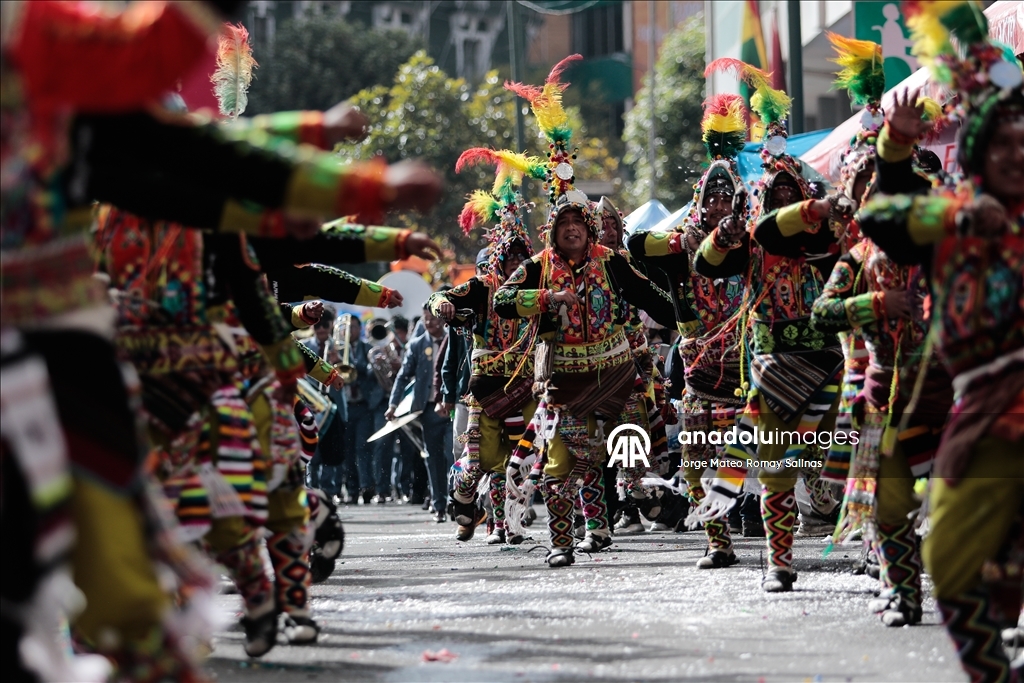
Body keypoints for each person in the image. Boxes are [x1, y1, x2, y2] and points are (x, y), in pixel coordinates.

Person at [858, 5, 1023, 677]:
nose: (1017, 154)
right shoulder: (947, 220)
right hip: (943, 407)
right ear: (978, 157)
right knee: (952, 562)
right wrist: (895, 146)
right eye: (1003, 144)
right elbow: (876, 215)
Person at [696, 58, 852, 592]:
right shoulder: (753, 239)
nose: (784, 194)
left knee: (833, 452)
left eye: (792, 189)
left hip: (827, 363)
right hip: (771, 364)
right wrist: (724, 236)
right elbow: (704, 266)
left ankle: (859, 528)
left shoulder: (825, 242)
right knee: (776, 466)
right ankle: (780, 562)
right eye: (775, 190)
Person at [627, 90, 750, 567]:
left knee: (758, 455)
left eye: (728, 197)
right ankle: (718, 542)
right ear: (700, 202)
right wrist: (685, 237)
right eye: (712, 197)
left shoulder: (751, 239)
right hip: (699, 367)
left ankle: (780, 522)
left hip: (747, 364)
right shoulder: (678, 245)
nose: (721, 203)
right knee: (697, 459)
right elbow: (635, 245)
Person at [431, 148, 547, 544]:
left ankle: (507, 524)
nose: (517, 262)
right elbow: (440, 297)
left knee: (522, 457)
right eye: (510, 255)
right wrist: (443, 303)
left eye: (522, 255)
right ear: (499, 259)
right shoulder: (483, 288)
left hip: (528, 386)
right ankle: (464, 502)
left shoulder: (540, 289)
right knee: (480, 461)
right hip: (484, 388)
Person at [386, 305, 454, 523]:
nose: (430, 324)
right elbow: (403, 377)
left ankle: (457, 501)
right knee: (433, 457)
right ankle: (439, 504)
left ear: (443, 320)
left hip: (452, 407)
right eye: (426, 320)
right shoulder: (416, 345)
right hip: (427, 409)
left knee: (454, 454)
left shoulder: (455, 338)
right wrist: (393, 405)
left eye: (433, 319)